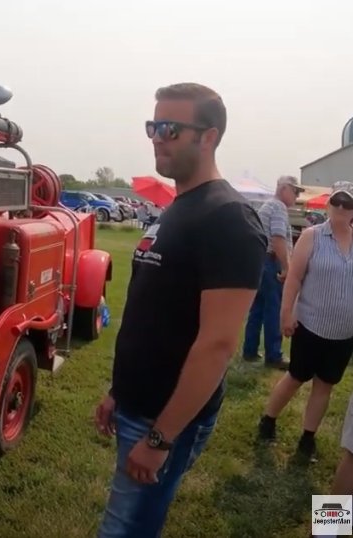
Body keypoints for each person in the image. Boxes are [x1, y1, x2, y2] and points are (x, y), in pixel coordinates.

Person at [94, 82, 267, 537]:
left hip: (165, 417)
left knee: (125, 529)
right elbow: (154, 315)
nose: (156, 137)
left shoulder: (228, 218)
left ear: (207, 136)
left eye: (169, 128)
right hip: (138, 403)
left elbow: (217, 344)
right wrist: (119, 392)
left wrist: (160, 437)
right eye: (153, 126)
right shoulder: (179, 207)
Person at [257, 181, 353, 462]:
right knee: (296, 377)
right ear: (328, 204)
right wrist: (286, 313)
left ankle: (307, 438)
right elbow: (294, 277)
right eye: (337, 202)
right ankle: (268, 420)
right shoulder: (311, 236)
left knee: (325, 385)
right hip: (310, 325)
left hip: (344, 332)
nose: (341, 208)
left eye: (347, 204)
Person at [241, 175, 304, 369]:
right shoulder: (278, 208)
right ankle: (274, 355)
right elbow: (278, 238)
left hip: (261, 261)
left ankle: (250, 351)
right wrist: (286, 266)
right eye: (295, 191)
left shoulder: (267, 206)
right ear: (284, 189)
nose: (296, 196)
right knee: (274, 308)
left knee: (257, 308)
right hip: (271, 262)